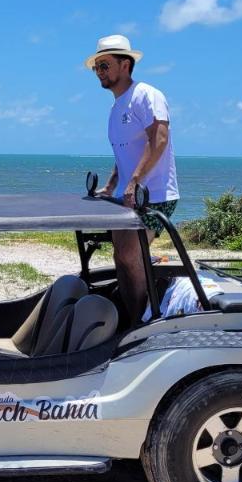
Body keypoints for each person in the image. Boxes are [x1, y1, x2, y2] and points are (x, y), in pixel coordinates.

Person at [86, 34, 180, 321]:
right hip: (127, 196)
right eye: (96, 68)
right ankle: (130, 315)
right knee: (121, 256)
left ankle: (141, 319)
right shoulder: (116, 107)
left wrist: (135, 181)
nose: (99, 72)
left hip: (154, 195)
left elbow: (159, 138)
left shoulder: (146, 94)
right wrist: (112, 185)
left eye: (104, 65)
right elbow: (124, 153)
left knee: (129, 255)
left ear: (125, 65)